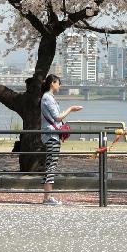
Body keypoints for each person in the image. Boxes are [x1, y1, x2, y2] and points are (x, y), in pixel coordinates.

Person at [40, 74, 83, 206]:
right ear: (52, 83)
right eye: (59, 83)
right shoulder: (48, 98)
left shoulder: (49, 97)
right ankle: (47, 198)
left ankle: (47, 197)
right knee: (51, 166)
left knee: (51, 165)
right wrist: (70, 109)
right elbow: (58, 117)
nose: (60, 85)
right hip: (51, 136)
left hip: (52, 135)